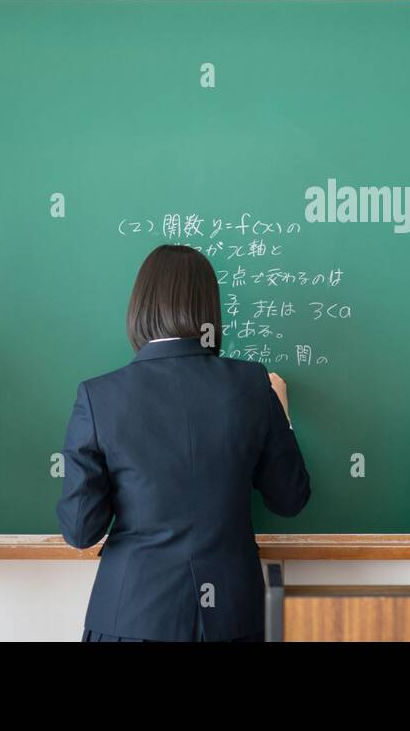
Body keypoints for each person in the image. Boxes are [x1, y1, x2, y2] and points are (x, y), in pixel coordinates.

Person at [58, 244, 309, 641]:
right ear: (209, 309)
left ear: (139, 307)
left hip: (132, 614)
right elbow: (289, 500)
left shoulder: (98, 396)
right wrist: (282, 413)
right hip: (233, 615)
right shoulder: (251, 385)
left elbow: (80, 530)